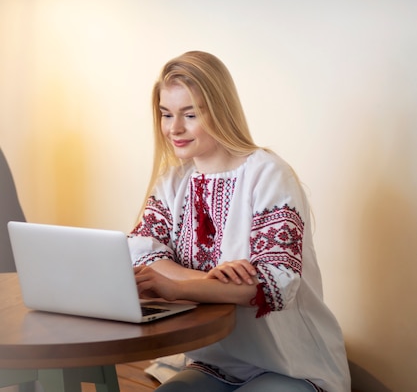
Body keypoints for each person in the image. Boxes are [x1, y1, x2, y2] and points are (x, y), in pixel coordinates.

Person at [128, 51, 351, 392]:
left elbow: (274, 286)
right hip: (214, 364)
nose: (175, 128)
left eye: (190, 114)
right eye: (166, 114)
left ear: (220, 111)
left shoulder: (269, 174)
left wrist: (178, 286)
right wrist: (207, 281)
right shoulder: (172, 182)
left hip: (292, 366)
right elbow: (143, 259)